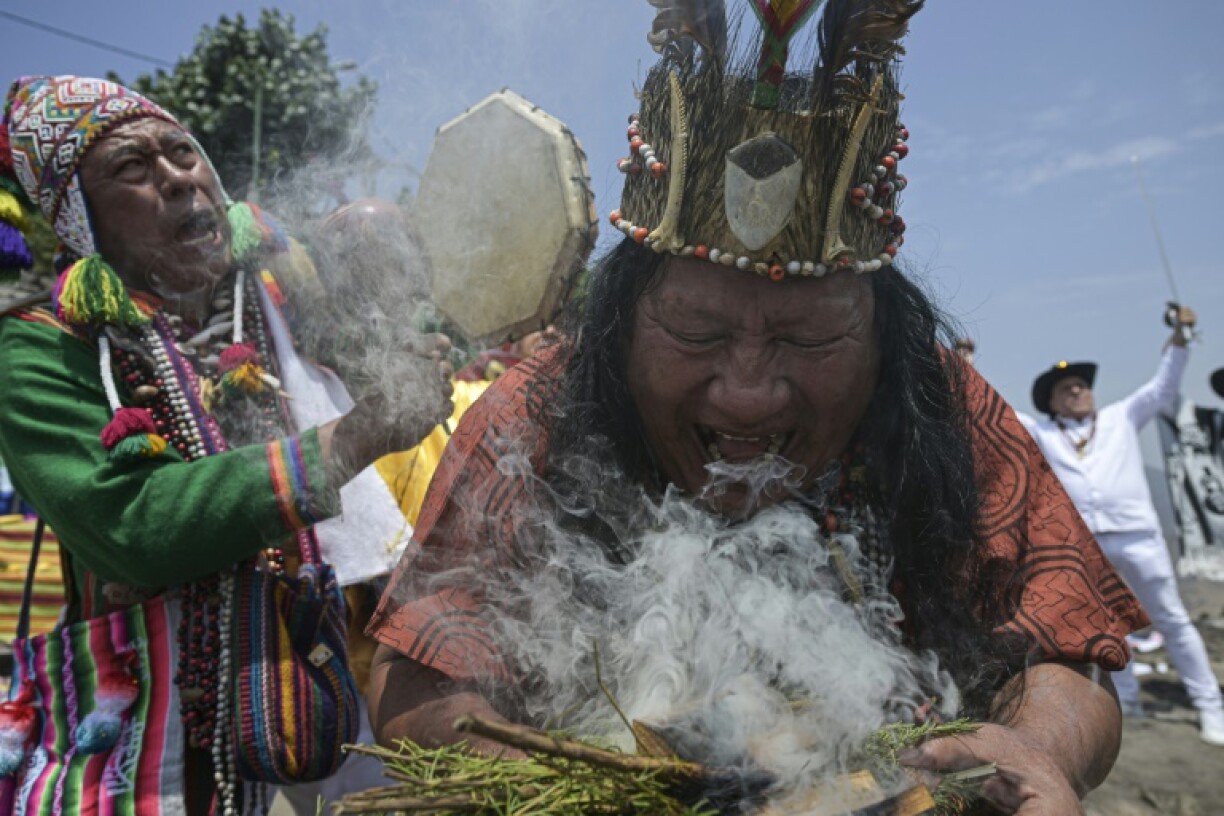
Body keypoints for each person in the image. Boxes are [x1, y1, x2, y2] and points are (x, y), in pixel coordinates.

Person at [365, 4, 1147, 813]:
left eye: (806, 341)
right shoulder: (539, 412)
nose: (746, 392)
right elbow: (419, 671)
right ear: (623, 323)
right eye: (697, 332)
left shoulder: (938, 408)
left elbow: (1069, 653)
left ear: (880, 339)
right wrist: (558, 788)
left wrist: (1037, 746)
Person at [0, 75, 450, 813]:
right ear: (81, 220)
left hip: (325, 698)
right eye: (134, 169)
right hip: (158, 741)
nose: (178, 179)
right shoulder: (41, 351)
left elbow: (383, 326)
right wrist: (350, 439)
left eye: (183, 153)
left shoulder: (277, 304)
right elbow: (133, 525)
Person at [1018, 308, 1224, 747]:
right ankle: (1128, 702)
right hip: (1086, 548)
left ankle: (1210, 705)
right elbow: (1002, 416)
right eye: (1066, 388)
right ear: (1052, 401)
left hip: (1139, 538)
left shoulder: (1120, 418)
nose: (1077, 391)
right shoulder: (1044, 435)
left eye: (1081, 385)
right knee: (1111, 627)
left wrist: (1181, 339)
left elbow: (1162, 387)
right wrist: (967, 366)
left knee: (1172, 619)